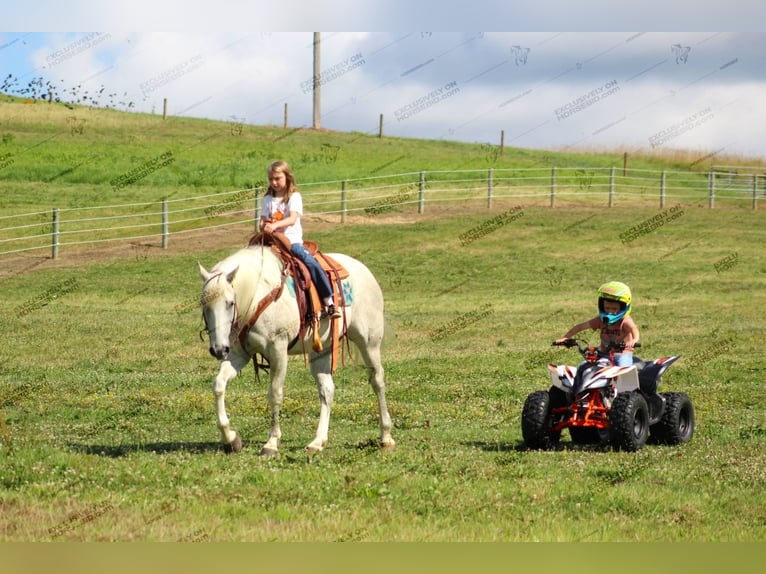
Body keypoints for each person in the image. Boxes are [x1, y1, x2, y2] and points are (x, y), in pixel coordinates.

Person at [259, 160, 341, 319]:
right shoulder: (267, 199)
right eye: (271, 179)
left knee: (309, 262)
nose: (274, 182)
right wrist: (264, 225)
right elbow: (262, 220)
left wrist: (275, 225)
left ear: (287, 177)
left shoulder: (293, 197)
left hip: (291, 242)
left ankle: (328, 301)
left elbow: (292, 219)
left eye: (278, 178)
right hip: (270, 241)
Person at [554, 281, 639, 366]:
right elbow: (580, 327)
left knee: (623, 369)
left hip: (622, 354)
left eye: (614, 308)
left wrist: (634, 340)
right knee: (584, 366)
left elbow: (634, 329)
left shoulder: (625, 321)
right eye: (607, 308)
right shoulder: (600, 320)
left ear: (624, 307)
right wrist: (565, 338)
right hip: (603, 353)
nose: (610, 311)